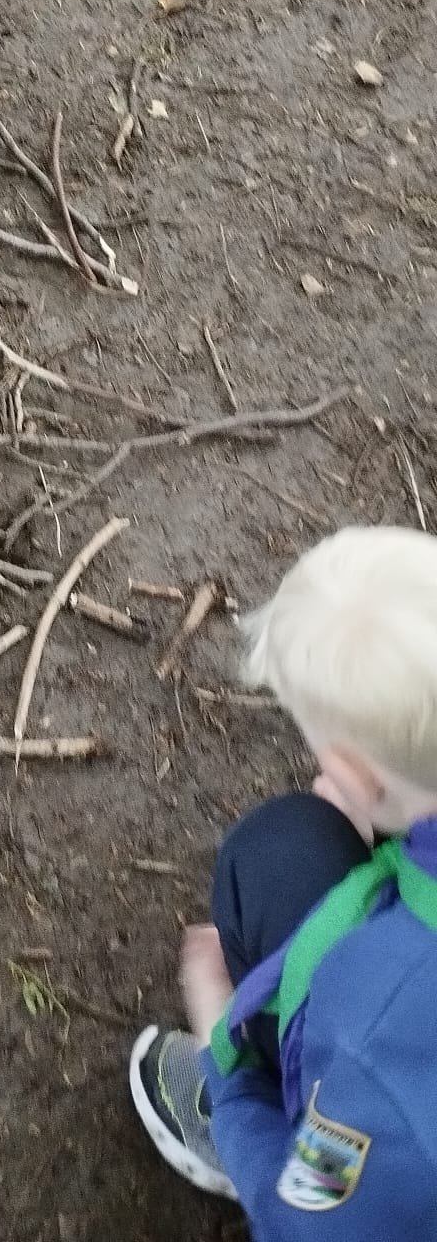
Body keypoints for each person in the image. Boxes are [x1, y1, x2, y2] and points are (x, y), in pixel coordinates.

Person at [129, 526, 437, 1233]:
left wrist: (224, 1060)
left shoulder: (373, 1034)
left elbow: (312, 1216)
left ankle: (243, 1139)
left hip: (372, 1175)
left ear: (354, 776)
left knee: (272, 853)